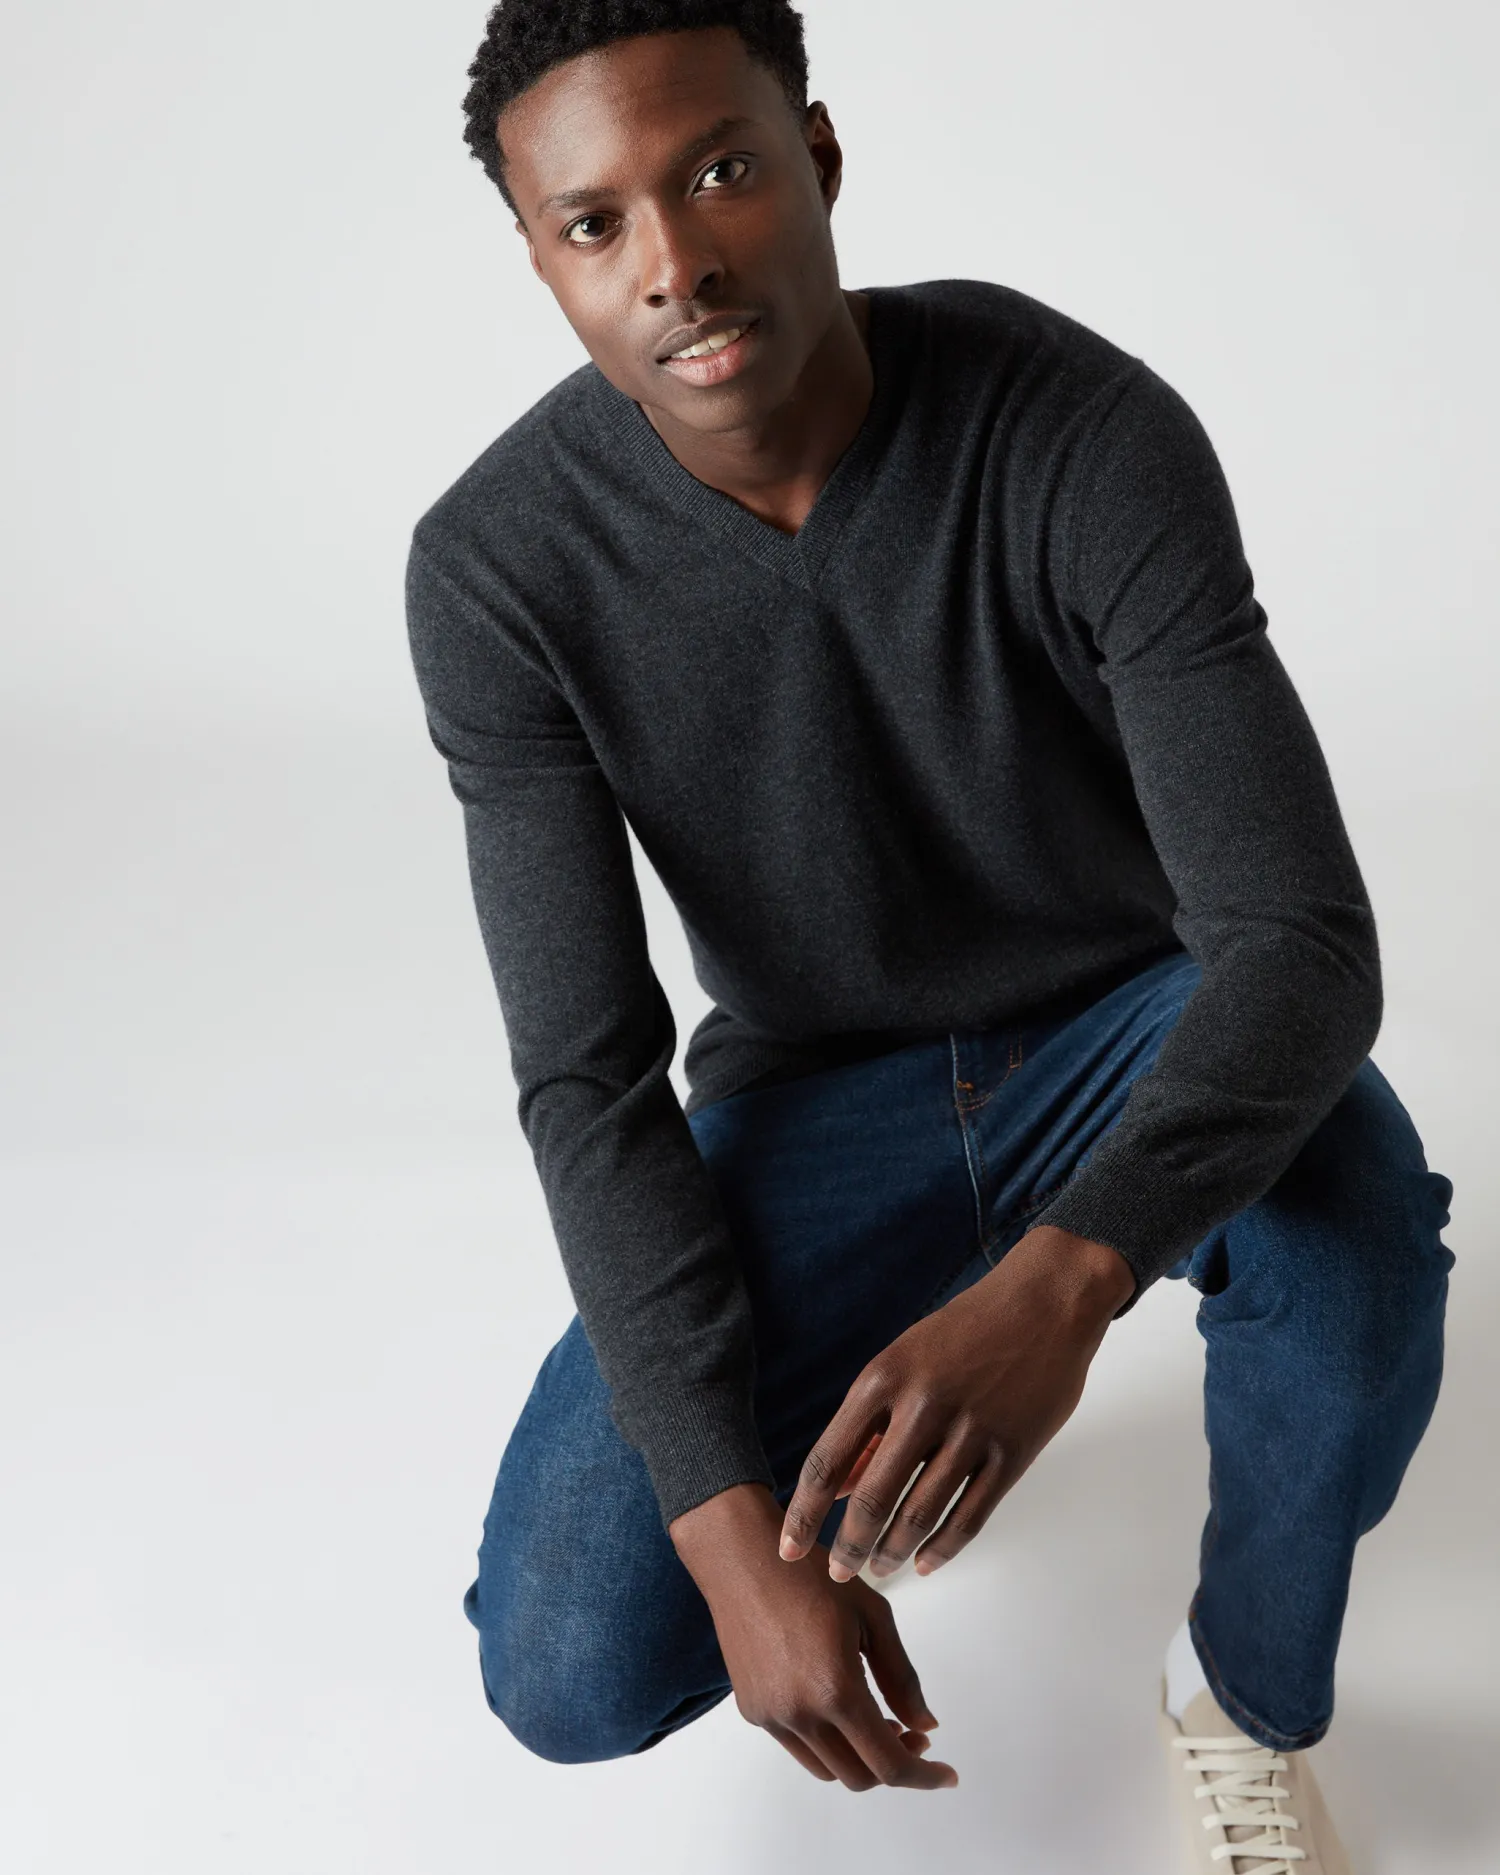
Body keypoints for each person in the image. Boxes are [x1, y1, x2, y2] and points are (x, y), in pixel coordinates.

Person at [404, 3, 1455, 1864]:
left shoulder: (1079, 430)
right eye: (594, 224)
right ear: (539, 259)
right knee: (566, 1662)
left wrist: (1059, 1295)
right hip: (820, 1093)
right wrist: (738, 1541)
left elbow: (1299, 940)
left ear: (818, 156)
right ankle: (854, 1431)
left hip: (1138, 1015)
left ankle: (1243, 1699)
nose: (673, 265)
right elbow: (589, 1082)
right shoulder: (499, 567)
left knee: (1357, 1262)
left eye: (722, 171)